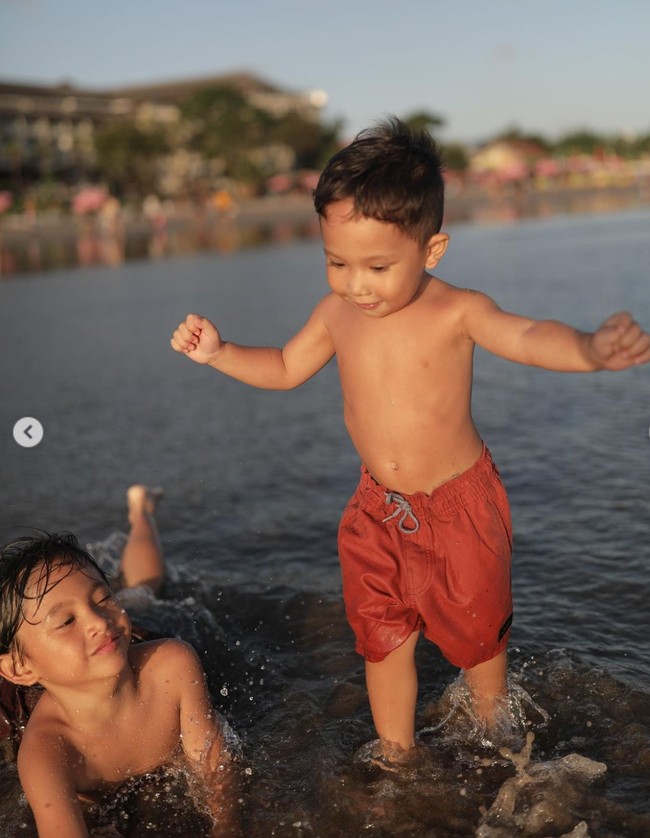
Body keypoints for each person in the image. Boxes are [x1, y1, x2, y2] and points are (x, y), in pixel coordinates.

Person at [170, 117, 650, 759]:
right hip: (377, 510)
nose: (356, 284)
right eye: (336, 262)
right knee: (382, 638)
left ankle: (493, 739)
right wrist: (222, 352)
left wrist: (591, 349)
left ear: (431, 250)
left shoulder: (458, 309)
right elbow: (284, 368)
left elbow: (529, 337)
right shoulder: (335, 312)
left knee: (480, 642)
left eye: (376, 266)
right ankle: (396, 753)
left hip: (460, 510)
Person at [0, 486, 238, 837]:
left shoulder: (171, 666)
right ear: (22, 669)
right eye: (67, 621)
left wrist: (228, 828)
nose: (98, 620)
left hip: (137, 639)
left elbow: (215, 768)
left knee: (142, 594)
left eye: (102, 598)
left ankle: (141, 509)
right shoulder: (46, 753)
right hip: (38, 690)